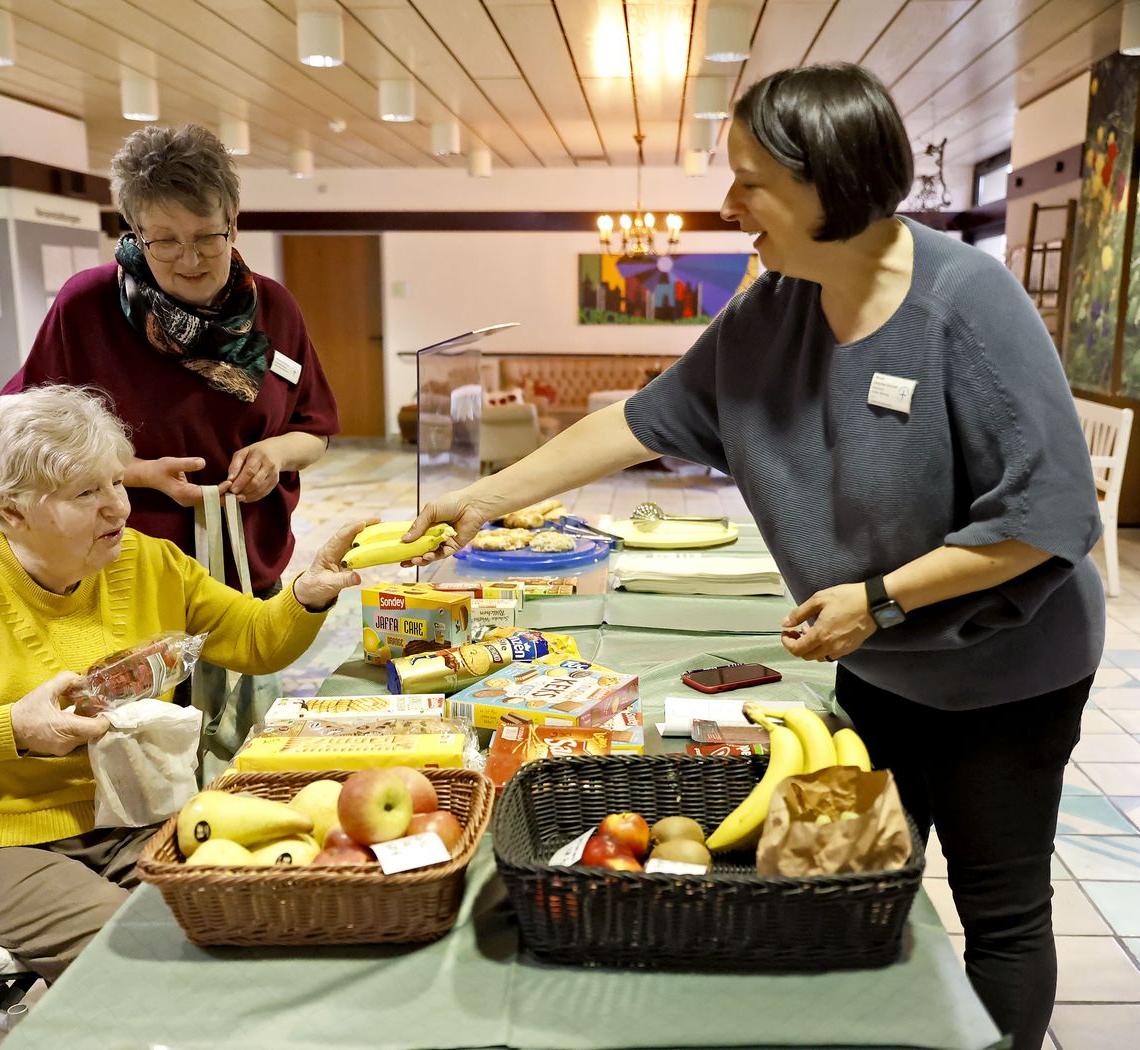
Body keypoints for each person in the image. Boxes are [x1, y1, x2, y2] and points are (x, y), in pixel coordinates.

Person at [405, 64, 1102, 1050]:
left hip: (1007, 671)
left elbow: (1043, 518)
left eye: (749, 182)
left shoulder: (964, 304)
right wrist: (480, 500)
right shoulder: (772, 309)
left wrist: (881, 600)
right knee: (858, 883)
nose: (727, 207)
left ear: (832, 183)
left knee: (998, 909)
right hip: (875, 664)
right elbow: (639, 420)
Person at [0, 385, 365, 982]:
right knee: (146, 954)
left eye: (116, 481)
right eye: (87, 493)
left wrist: (306, 592)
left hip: (120, 815)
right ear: (13, 510)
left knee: (249, 910)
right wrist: (12, 729)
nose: (119, 508)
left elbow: (254, 640)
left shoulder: (143, 561)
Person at [4, 124, 338, 597]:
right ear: (135, 232)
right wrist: (137, 473)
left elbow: (315, 428)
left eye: (207, 237)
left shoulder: (274, 308)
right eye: (164, 240)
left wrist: (275, 454)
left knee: (252, 667)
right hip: (122, 573)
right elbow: (24, 439)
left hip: (247, 568)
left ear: (233, 223)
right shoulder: (88, 305)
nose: (189, 260)